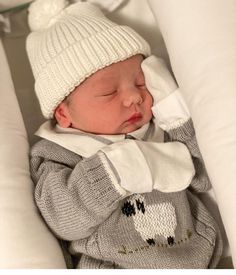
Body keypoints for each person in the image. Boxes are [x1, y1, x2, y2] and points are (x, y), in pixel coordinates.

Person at [26, 0, 222, 269]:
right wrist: (116, 170)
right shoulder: (56, 153)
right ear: (63, 114)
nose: (134, 96)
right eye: (109, 92)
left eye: (141, 83)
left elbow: (202, 176)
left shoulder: (159, 129)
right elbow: (63, 219)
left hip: (198, 257)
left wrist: (176, 113)